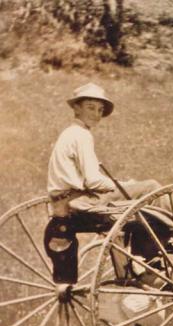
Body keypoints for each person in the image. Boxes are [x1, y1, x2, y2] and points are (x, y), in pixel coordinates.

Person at [44, 82, 161, 285]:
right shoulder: (81, 135)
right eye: (91, 107)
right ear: (76, 108)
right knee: (151, 187)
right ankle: (155, 252)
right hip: (81, 203)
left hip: (63, 205)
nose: (96, 114)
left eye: (100, 110)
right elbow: (93, 180)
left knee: (139, 196)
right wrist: (121, 184)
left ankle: (141, 257)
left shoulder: (68, 134)